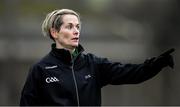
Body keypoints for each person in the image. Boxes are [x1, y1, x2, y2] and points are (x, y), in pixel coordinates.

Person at [20, 9, 174, 106]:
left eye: (78, 27)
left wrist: (156, 64)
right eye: (69, 26)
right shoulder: (40, 69)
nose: (76, 31)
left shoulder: (92, 64)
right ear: (54, 32)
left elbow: (131, 73)